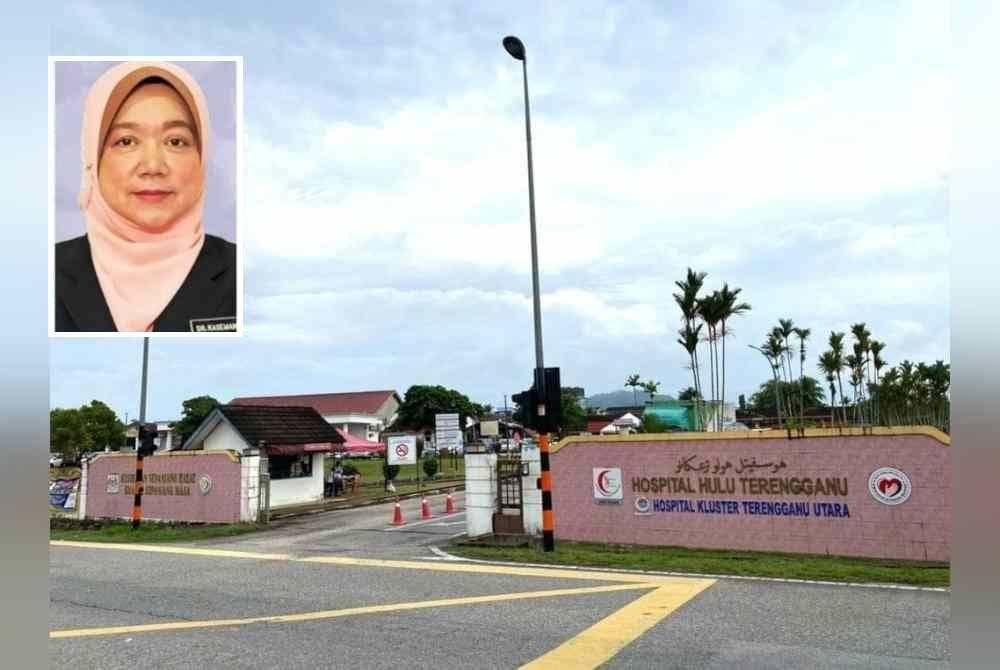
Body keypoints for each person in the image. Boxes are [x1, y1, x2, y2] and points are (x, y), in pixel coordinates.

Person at [55, 61, 236, 332]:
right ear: (93, 158)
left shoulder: (238, 274)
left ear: (202, 159)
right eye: (126, 141)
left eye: (176, 141)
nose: (152, 166)